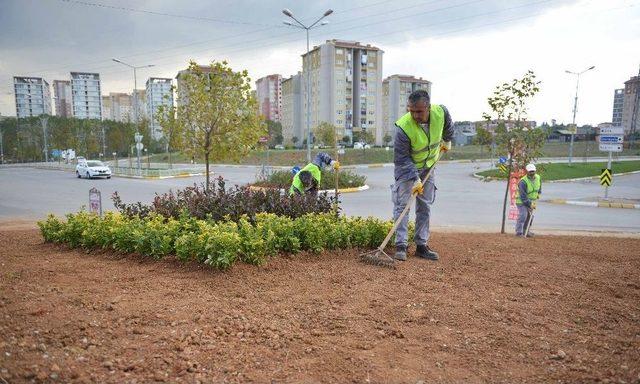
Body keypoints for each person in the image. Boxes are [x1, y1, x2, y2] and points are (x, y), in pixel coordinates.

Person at [392, 89, 453, 261]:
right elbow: (402, 159)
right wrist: (415, 179)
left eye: (418, 111)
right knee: (402, 206)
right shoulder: (403, 128)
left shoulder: (440, 112)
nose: (414, 115)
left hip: (428, 166)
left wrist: (447, 139)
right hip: (407, 170)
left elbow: (448, 121)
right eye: (411, 111)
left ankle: (421, 245)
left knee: (425, 205)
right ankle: (401, 246)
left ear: (428, 107)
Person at [515, 163, 541, 237]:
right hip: (521, 201)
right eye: (530, 171)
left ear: (535, 171)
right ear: (527, 172)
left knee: (530, 216)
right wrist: (530, 204)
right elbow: (523, 197)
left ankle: (526, 231)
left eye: (533, 171)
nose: (532, 173)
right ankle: (519, 232)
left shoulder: (538, 177)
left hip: (531, 200)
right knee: (523, 215)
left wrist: (539, 193)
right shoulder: (523, 182)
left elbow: (539, 186)